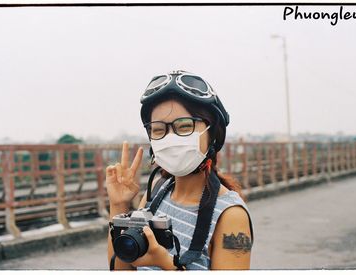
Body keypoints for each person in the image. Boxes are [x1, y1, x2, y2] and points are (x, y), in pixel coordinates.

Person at [106, 70, 253, 270]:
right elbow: (119, 270)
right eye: (158, 129)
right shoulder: (155, 196)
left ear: (213, 134)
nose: (170, 137)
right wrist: (118, 205)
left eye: (184, 127)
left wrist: (166, 263)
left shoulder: (231, 216)